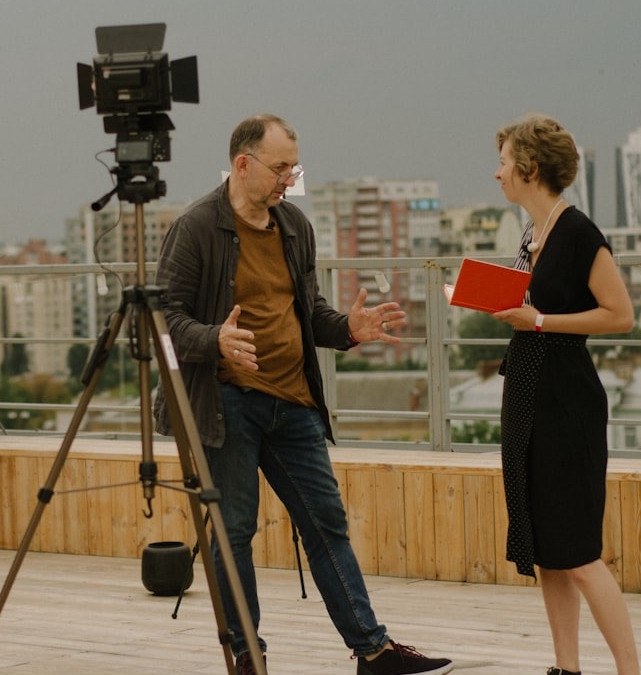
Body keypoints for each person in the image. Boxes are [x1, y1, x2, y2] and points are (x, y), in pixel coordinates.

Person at [153, 113, 453, 675]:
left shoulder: (294, 225)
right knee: (234, 531)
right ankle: (246, 655)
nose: (290, 178)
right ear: (243, 165)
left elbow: (307, 312)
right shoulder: (195, 227)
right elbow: (163, 320)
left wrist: (346, 330)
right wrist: (215, 340)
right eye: (280, 167)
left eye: (294, 166)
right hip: (226, 404)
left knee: (326, 525)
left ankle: (373, 650)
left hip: (293, 404)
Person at [491, 113, 640, 675]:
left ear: (529, 169)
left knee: (577, 551)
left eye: (504, 162)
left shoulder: (577, 232)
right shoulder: (533, 232)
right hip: (528, 392)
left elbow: (620, 316)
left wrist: (539, 319)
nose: (497, 173)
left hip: (564, 399)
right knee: (548, 551)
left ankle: (630, 671)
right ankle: (566, 667)